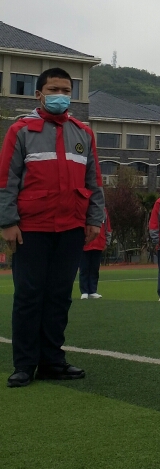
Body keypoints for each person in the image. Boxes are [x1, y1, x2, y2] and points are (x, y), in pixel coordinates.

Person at [0, 67, 105, 387]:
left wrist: (94, 219)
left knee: (59, 296)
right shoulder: (20, 131)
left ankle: (52, 361)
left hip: (71, 227)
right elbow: (6, 181)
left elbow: (94, 181)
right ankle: (24, 364)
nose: (60, 95)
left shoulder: (83, 133)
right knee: (30, 295)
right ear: (39, 94)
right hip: (31, 228)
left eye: (65, 90)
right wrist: (7, 222)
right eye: (53, 89)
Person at [79, 211, 112, 299]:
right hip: (86, 244)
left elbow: (107, 228)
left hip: (99, 244)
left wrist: (107, 242)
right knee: (84, 268)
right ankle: (84, 291)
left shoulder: (104, 211)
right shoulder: (84, 208)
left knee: (95, 268)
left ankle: (93, 291)